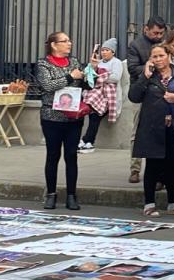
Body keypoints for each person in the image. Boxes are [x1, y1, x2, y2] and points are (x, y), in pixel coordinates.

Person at [36, 30, 94, 210]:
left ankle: (71, 195)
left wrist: (91, 71)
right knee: (53, 155)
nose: (69, 43)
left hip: (73, 117)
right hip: (51, 117)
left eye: (70, 40)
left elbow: (84, 85)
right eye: (65, 41)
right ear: (54, 45)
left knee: (71, 156)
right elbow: (47, 86)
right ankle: (51, 194)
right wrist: (70, 76)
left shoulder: (75, 62)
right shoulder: (43, 64)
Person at [130, 44, 174, 217]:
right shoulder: (148, 75)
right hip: (152, 126)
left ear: (169, 56)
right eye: (154, 57)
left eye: (161, 55)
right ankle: (149, 203)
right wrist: (145, 77)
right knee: (153, 165)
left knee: (173, 164)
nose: (158, 59)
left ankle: (173, 201)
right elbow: (134, 96)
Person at [126, 16, 167, 183]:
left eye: (161, 33)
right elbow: (132, 68)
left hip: (161, 91)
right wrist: (151, 65)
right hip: (141, 91)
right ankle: (135, 168)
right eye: (155, 32)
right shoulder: (136, 45)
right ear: (146, 29)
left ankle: (160, 172)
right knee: (137, 131)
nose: (158, 36)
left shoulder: (164, 44)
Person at [79, 38, 123, 153]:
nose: (103, 52)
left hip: (108, 95)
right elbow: (87, 74)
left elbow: (115, 77)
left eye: (107, 50)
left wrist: (99, 77)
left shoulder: (116, 62)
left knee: (95, 116)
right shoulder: (98, 62)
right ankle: (88, 142)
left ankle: (87, 141)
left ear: (113, 52)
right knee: (94, 116)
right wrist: (93, 67)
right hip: (96, 94)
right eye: (102, 50)